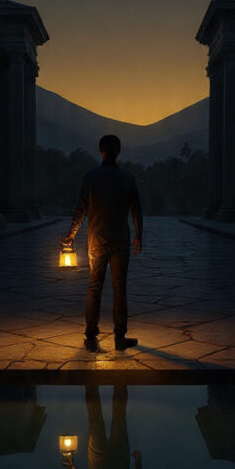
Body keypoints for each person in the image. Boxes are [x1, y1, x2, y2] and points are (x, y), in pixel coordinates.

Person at [61, 134, 142, 351]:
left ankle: (90, 336)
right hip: (120, 240)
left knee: (94, 287)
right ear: (119, 152)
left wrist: (70, 235)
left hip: (97, 240)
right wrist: (138, 236)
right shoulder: (127, 178)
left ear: (100, 151)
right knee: (119, 289)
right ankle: (119, 338)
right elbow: (136, 210)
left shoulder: (91, 177)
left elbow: (80, 209)